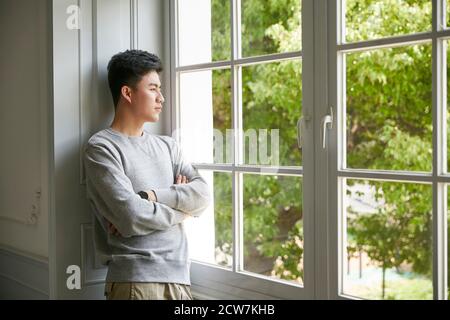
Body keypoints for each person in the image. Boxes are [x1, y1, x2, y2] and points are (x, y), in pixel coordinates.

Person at [83, 50, 211, 300]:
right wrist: (184, 210)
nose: (161, 98)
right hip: (134, 282)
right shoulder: (101, 148)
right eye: (153, 89)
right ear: (127, 93)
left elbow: (203, 196)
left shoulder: (169, 147)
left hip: (180, 282)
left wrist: (151, 196)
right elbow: (130, 216)